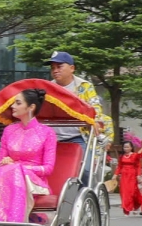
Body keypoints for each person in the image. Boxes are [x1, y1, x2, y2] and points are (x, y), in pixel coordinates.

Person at [0, 88, 56, 223]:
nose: (12, 106)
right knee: (8, 171)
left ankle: (14, 221)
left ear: (31, 107)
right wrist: (9, 164)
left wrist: (20, 168)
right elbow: (1, 163)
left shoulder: (47, 132)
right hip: (9, 176)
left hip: (34, 181)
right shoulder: (8, 131)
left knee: (14, 170)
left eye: (18, 103)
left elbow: (48, 168)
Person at [47, 52, 112, 186]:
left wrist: (94, 121)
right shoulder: (47, 88)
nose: (55, 70)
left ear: (72, 68)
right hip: (52, 138)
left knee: (86, 170)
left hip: (77, 137)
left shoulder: (85, 86)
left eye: (59, 67)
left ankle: (87, 195)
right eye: (53, 68)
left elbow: (96, 108)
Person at [117, 141, 140, 216]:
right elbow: (119, 166)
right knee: (124, 193)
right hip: (124, 176)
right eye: (124, 147)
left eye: (127, 147)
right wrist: (115, 174)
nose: (126, 148)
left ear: (131, 147)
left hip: (132, 175)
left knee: (133, 192)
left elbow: (138, 166)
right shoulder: (121, 156)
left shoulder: (135, 155)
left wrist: (138, 175)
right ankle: (126, 210)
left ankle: (136, 206)